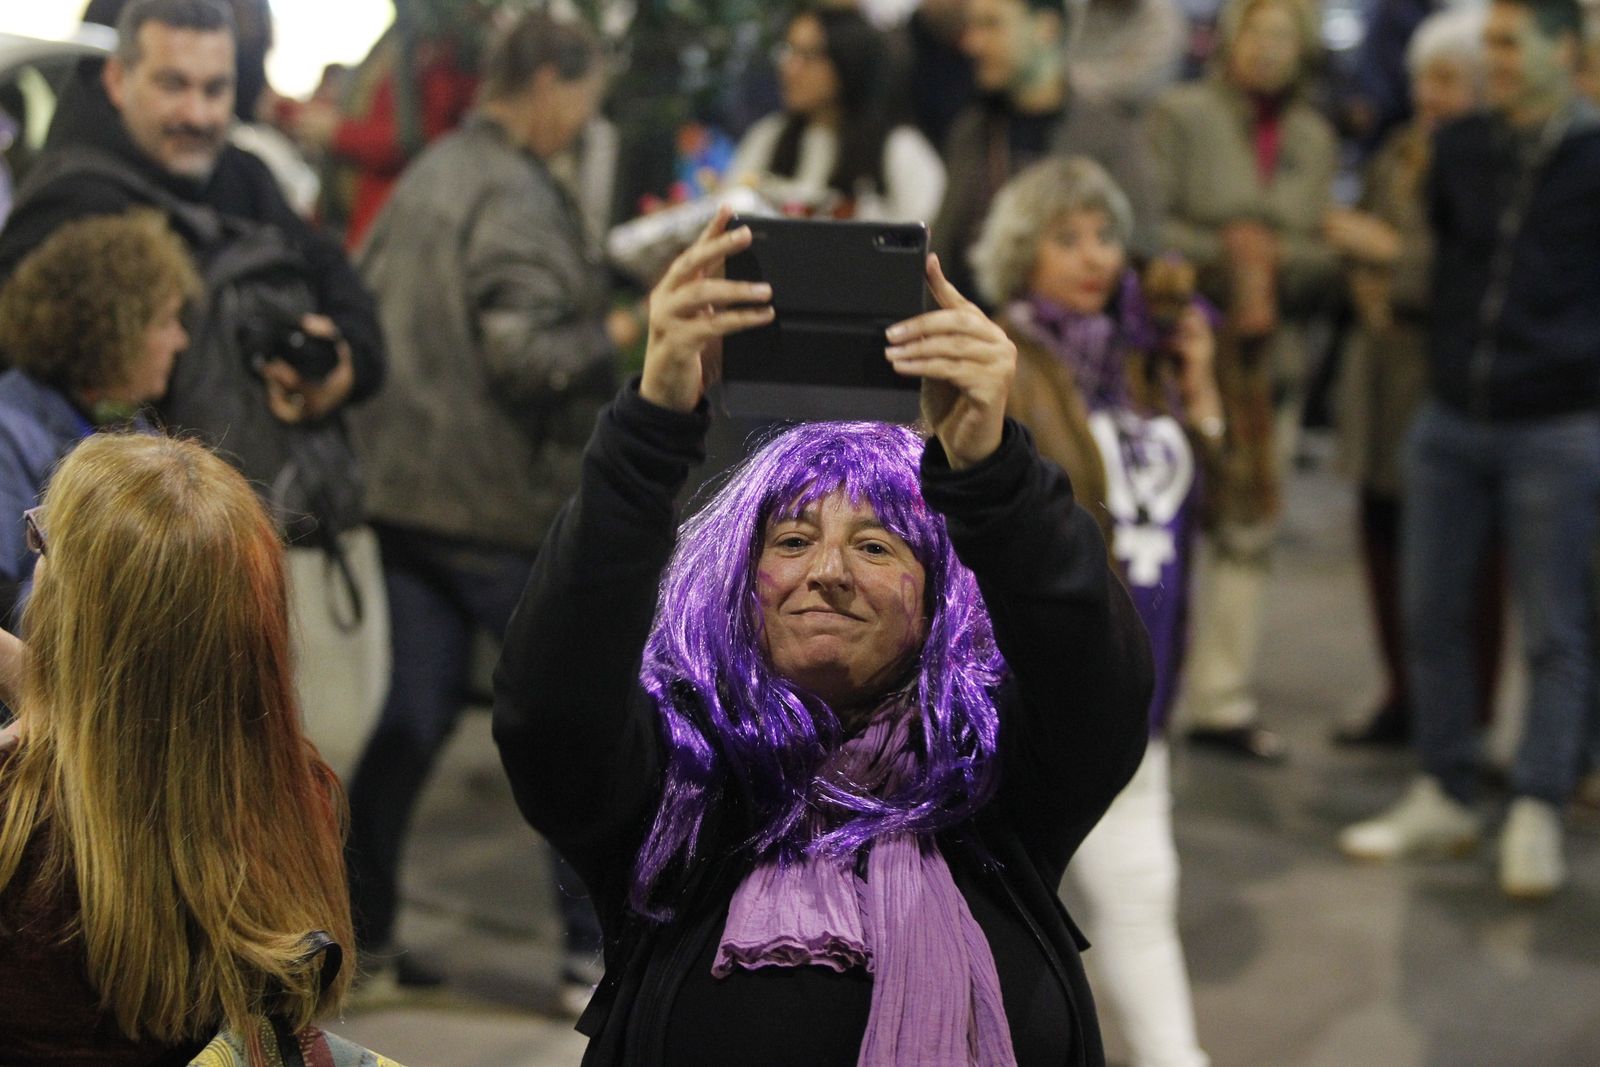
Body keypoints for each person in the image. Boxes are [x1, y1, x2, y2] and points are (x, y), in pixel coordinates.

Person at [492, 206, 1152, 1065]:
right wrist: (651, 426)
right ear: (739, 585)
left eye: (876, 546)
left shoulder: (1000, 784)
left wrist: (995, 471)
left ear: (938, 601)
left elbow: (1097, 675)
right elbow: (547, 704)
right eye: (794, 541)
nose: (828, 571)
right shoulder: (674, 788)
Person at [345, 10, 616, 998]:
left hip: (401, 493)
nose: (584, 122)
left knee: (411, 719)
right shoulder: (512, 189)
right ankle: (590, 954)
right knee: (568, 717)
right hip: (494, 506)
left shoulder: (432, 171)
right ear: (548, 83)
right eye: (583, 100)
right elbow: (527, 354)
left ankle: (362, 938)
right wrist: (627, 328)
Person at [1339, 0, 1600, 901]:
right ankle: (1445, 791)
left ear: (1563, 50)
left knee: (1556, 628)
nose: (1494, 58)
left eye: (1508, 43)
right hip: (1451, 416)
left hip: (1559, 424)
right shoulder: (1459, 148)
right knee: (1432, 614)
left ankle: (1537, 805)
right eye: (1488, 41)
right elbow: (1442, 265)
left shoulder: (1594, 156)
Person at [0, 434, 354, 1065]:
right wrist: (48, 695)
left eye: (42, 540)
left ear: (77, 615)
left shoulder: (18, 825)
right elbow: (149, 723)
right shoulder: (299, 794)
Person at [971, 155, 1215, 1067]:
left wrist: (1203, 387)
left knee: (1140, 896)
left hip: (1142, 670)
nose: (1094, 256)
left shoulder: (1141, 359)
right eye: (1066, 237)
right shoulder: (1001, 357)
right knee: (1017, 918)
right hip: (1039, 683)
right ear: (1021, 250)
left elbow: (1228, 511)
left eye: (1106, 235)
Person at [1147, 0, 1339, 761]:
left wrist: (1279, 260)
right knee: (1167, 518)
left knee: (1249, 527)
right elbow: (1151, 227)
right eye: (1258, 33)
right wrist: (1228, 253)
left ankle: (1220, 698)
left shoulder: (1314, 137)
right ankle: (1147, 685)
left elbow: (1324, 252)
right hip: (1186, 351)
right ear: (1232, 39)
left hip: (1271, 362)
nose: (1268, 49)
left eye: (1284, 37)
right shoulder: (1182, 115)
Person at [1323, 8, 1496, 747]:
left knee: (1462, 564)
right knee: (1382, 536)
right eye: (1424, 79)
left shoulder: (1488, 162)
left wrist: (1384, 254)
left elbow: (1457, 272)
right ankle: (1402, 694)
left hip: (1442, 381)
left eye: (1448, 80)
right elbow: (1341, 238)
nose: (1430, 94)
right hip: (1377, 378)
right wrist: (1369, 256)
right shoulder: (1398, 150)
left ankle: (1466, 718)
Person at [0, 211, 196, 628]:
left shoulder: (128, 422)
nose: (181, 339)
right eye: (166, 321)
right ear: (113, 333)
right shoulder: (9, 431)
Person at [931, 0, 1161, 300]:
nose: (972, 43)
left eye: (991, 25)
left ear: (1045, 28)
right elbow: (944, 251)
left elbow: (1142, 247)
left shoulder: (1108, 135)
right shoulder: (971, 131)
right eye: (972, 26)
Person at [291, 1, 485, 250]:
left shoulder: (443, 38)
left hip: (393, 227)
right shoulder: (401, 34)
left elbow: (425, 141)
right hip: (354, 222)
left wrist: (339, 134)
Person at [726, 6, 945, 221]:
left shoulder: (898, 149)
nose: (790, 68)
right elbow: (729, 208)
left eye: (808, 55)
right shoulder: (769, 137)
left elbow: (928, 232)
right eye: (788, 51)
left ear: (848, 61)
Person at [1067, 0, 1188, 117]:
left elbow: (1138, 84)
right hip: (1072, 111)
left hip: (1132, 118)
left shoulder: (1164, 20)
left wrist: (1068, 79)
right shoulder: (1078, 8)